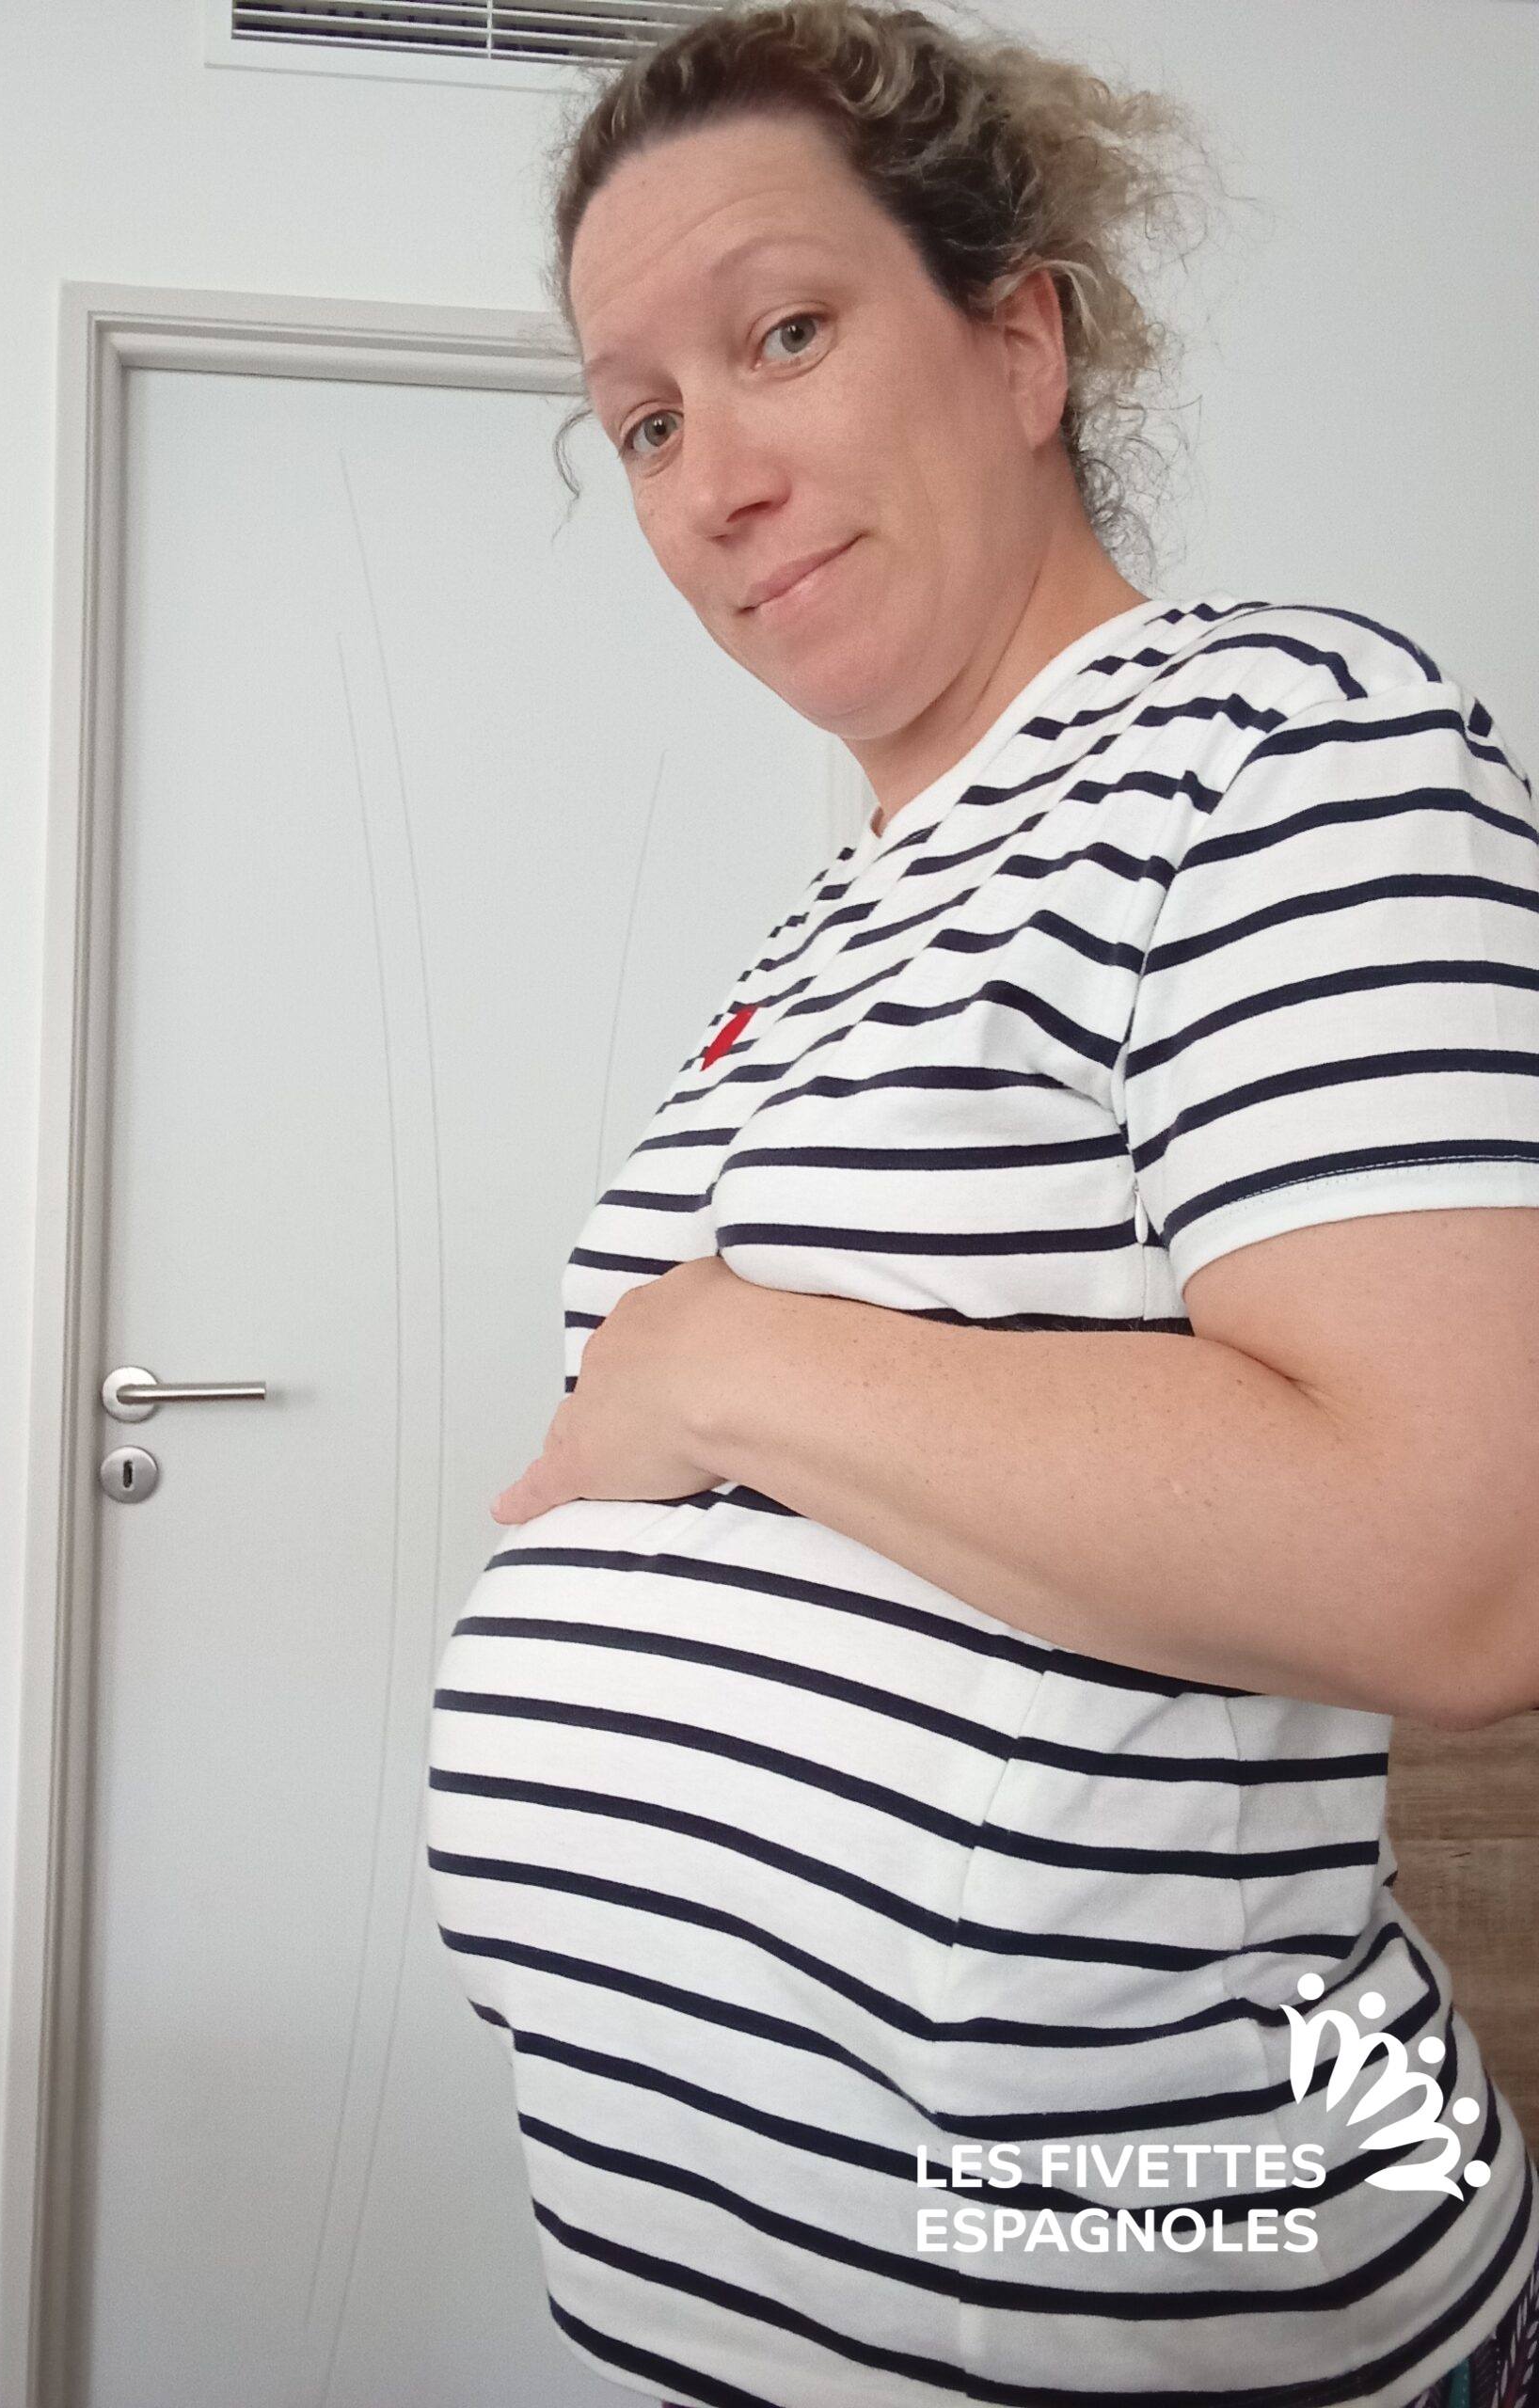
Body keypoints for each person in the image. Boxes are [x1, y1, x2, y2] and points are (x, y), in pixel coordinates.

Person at [420, 4, 1539, 2400]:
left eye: (784, 335)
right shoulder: (848, 906)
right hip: (764, 2297)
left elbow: (1463, 1553)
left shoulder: (1276, 738)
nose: (715, 479)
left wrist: (725, 1355)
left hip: (1133, 2293)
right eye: (645, 421)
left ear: (1022, 340)